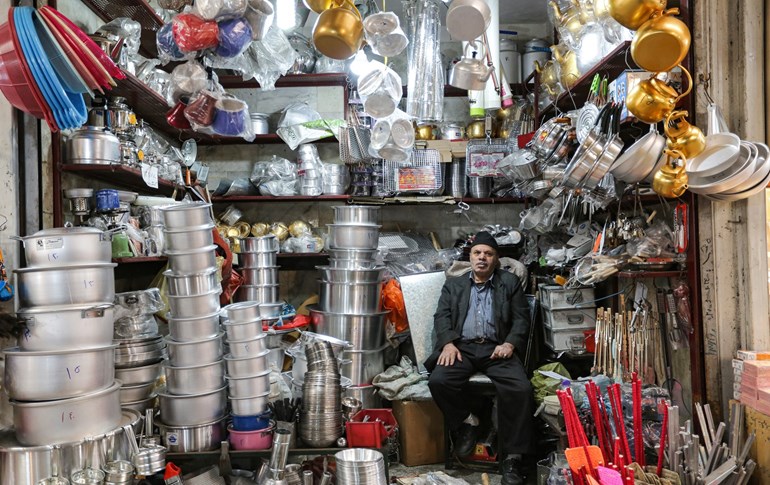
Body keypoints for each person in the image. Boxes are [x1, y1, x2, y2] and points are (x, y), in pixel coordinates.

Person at [425, 231, 534, 485]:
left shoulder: (509, 282)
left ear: (496, 259)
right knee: (438, 381)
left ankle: (513, 458)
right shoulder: (454, 284)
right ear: (470, 257)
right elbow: (441, 317)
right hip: (463, 348)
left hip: (497, 349)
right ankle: (467, 422)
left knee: (521, 389)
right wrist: (448, 343)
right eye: (477, 253)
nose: (482, 258)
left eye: (488, 254)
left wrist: (510, 343)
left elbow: (521, 319)